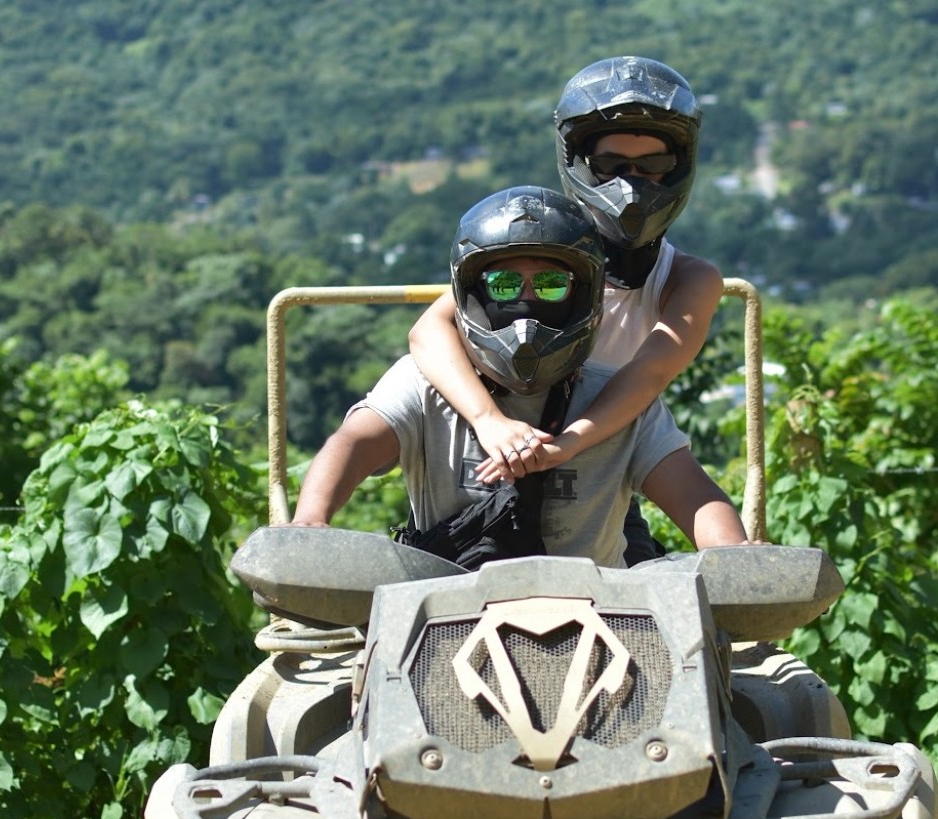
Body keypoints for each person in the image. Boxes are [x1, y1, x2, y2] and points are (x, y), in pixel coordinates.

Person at [291, 186, 748, 567]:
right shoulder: (425, 384)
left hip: (599, 625)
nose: (526, 305)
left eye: (551, 285)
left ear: (584, 295)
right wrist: (310, 522)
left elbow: (694, 495)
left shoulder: (615, 399)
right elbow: (354, 443)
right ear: (472, 294)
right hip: (444, 619)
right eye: (504, 286)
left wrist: (733, 554)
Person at [408, 56, 722, 492]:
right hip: (489, 452)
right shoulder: (540, 252)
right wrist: (488, 420)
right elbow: (428, 331)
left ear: (678, 164)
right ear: (582, 162)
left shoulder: (688, 279)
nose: (631, 183)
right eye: (611, 165)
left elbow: (650, 372)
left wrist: (568, 445)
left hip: (596, 458)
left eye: (651, 165)